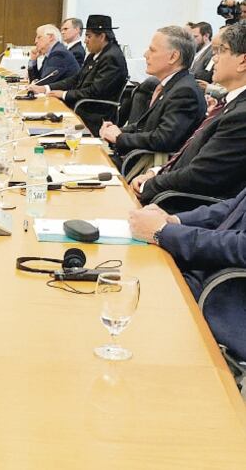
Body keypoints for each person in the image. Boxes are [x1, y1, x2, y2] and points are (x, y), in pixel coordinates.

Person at [132, 24, 246, 210]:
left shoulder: (241, 115)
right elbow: (191, 155)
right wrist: (155, 172)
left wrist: (151, 184)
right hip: (171, 190)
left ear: (243, 61)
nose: (214, 59)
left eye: (221, 51)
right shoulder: (229, 104)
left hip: (186, 208)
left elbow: (202, 174)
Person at [129, 192, 246, 360]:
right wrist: (173, 221)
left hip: (227, 296)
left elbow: (240, 248)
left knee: (136, 302)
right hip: (207, 274)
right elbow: (233, 208)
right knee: (129, 281)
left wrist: (163, 232)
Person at [99, 26, 205, 160]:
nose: (145, 54)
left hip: (152, 166)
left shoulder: (185, 91)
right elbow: (145, 126)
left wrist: (120, 138)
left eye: (152, 50)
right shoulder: (172, 85)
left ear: (173, 56)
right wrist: (117, 130)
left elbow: (163, 139)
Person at [29, 14, 128, 136]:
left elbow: (94, 92)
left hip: (94, 112)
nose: (85, 40)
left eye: (88, 36)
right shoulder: (95, 54)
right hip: (81, 104)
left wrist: (64, 94)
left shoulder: (112, 57)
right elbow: (76, 78)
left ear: (102, 36)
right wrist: (46, 88)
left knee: (47, 120)